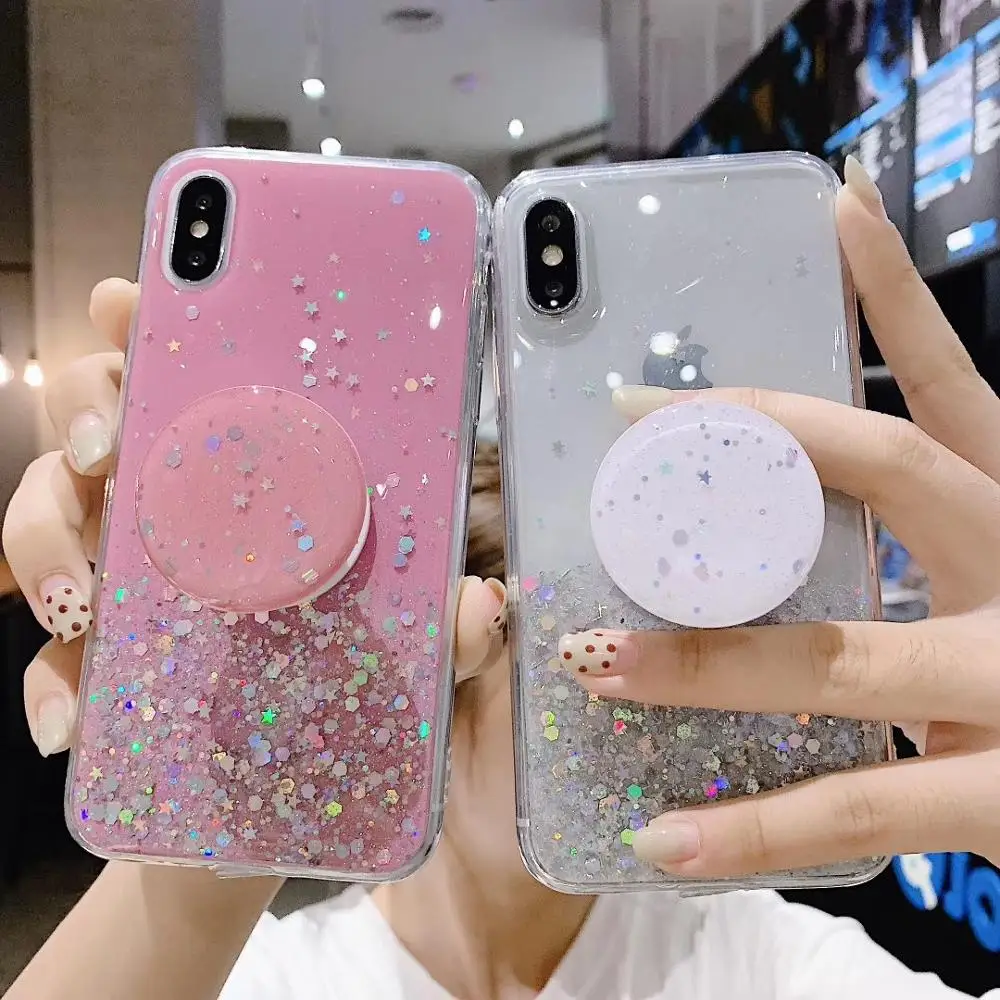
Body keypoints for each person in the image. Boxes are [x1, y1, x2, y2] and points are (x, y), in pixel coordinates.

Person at [5, 158, 1000, 999]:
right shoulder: (275, 975)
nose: (647, 711)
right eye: (580, 661)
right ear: (448, 668)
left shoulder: (772, 962)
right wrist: (228, 809)